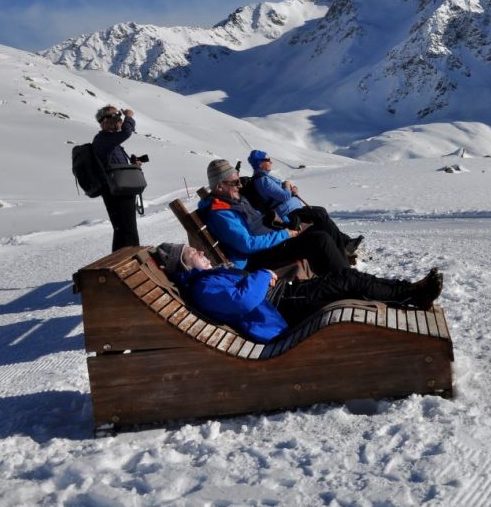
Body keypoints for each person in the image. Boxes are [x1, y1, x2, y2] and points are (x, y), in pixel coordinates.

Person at [153, 243, 443, 343]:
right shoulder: (203, 287)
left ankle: (407, 293)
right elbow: (242, 301)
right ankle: (409, 295)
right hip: (283, 305)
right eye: (192, 252)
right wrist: (262, 274)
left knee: (345, 279)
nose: (201, 251)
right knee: (347, 281)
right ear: (182, 263)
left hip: (281, 296)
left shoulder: (205, 280)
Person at [199, 158, 350, 275]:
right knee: (319, 240)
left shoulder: (232, 200)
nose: (240, 186)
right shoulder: (220, 213)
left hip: (272, 242)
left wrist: (286, 225)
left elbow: (259, 222)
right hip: (259, 256)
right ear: (219, 186)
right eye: (235, 182)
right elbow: (248, 244)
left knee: (323, 226)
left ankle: (345, 275)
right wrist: (284, 234)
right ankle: (346, 281)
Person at [246, 149, 363, 257]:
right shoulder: (263, 180)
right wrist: (287, 185)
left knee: (320, 214)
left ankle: (345, 242)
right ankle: (344, 246)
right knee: (320, 213)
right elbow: (284, 195)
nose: (271, 162)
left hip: (291, 209)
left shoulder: (265, 178)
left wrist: (292, 189)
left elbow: (282, 193)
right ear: (260, 163)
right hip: (288, 213)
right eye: (268, 160)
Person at [92, 105, 141, 251]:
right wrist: (129, 117)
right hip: (115, 192)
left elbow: (117, 166)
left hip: (121, 190)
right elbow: (126, 132)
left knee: (124, 230)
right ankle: (132, 262)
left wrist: (133, 165)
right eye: (116, 116)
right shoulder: (103, 139)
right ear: (106, 120)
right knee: (127, 230)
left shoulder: (109, 140)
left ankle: (121, 264)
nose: (120, 119)